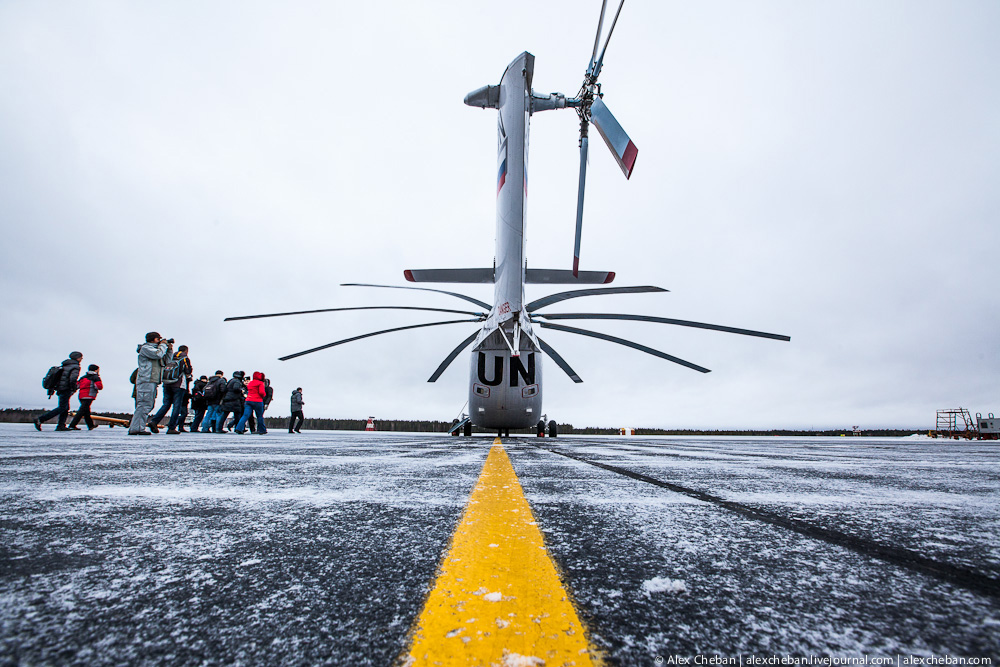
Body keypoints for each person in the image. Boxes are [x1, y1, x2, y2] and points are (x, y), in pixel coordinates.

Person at [129, 333, 172, 435]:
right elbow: (158, 354)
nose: (160, 341)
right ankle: (137, 428)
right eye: (159, 339)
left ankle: (138, 427)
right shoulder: (146, 348)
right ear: (154, 339)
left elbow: (166, 361)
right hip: (146, 380)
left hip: (152, 380)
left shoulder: (158, 349)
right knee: (143, 405)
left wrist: (169, 349)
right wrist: (163, 345)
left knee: (148, 405)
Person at [148, 344, 192, 435]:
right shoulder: (184, 358)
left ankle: (154, 421)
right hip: (178, 384)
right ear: (186, 351)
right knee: (177, 406)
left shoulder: (171, 357)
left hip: (167, 383)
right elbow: (188, 371)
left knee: (166, 404)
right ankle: (172, 427)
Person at [35, 352, 83, 431]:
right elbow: (72, 379)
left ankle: (61, 425)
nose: (81, 359)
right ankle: (41, 419)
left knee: (65, 407)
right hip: (66, 388)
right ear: (77, 358)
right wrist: (73, 388)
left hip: (60, 388)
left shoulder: (65, 365)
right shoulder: (75, 367)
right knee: (62, 407)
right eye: (81, 357)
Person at [69, 364, 103, 430]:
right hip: (89, 395)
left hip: (81, 395)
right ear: (96, 370)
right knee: (81, 411)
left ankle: (90, 425)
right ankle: (72, 425)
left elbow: (77, 385)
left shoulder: (83, 377)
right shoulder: (95, 377)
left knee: (86, 411)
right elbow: (99, 387)